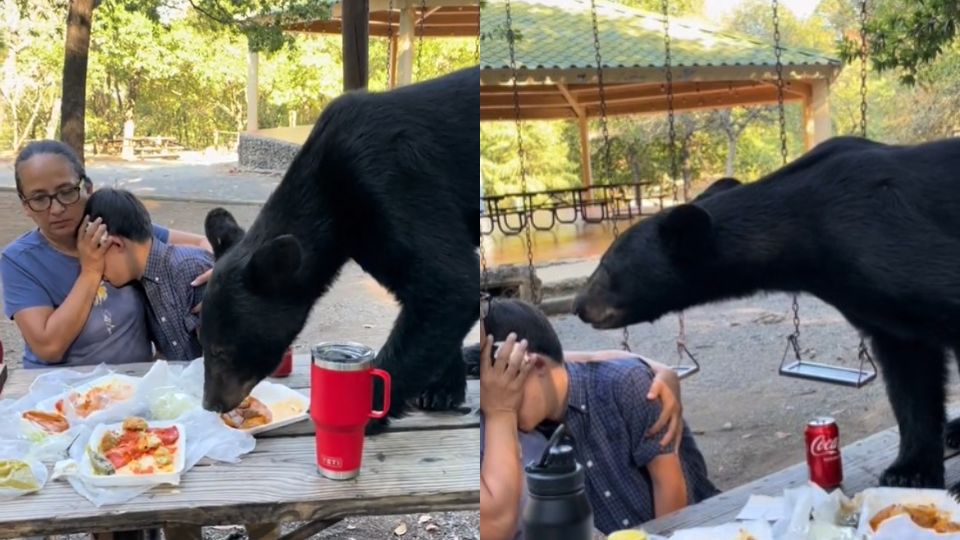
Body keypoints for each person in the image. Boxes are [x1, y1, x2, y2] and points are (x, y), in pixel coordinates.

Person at [481, 297, 720, 536]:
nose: (502, 400)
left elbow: (670, 487)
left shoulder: (626, 386)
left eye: (507, 387)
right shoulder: (527, 431)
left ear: (537, 365)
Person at [1, 140, 213, 367]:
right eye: (39, 198)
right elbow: (48, 348)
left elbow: (203, 242)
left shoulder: (114, 228)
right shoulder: (20, 261)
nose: (57, 208)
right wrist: (90, 271)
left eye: (66, 191)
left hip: (133, 386)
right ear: (25, 205)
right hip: (61, 392)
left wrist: (222, 271)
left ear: (87, 188)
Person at [84, 188, 213, 360]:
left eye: (96, 257)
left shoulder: (190, 270)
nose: (99, 273)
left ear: (114, 244)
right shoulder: (142, 284)